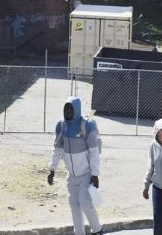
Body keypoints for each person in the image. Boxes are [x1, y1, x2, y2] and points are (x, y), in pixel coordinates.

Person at [46, 96, 104, 235]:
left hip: (86, 173)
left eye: (71, 108)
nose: (68, 111)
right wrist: (52, 169)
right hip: (71, 175)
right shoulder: (61, 125)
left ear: (77, 109)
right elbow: (58, 149)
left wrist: (95, 174)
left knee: (85, 203)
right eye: (66, 108)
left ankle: (97, 230)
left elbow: (94, 151)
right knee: (74, 206)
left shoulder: (87, 125)